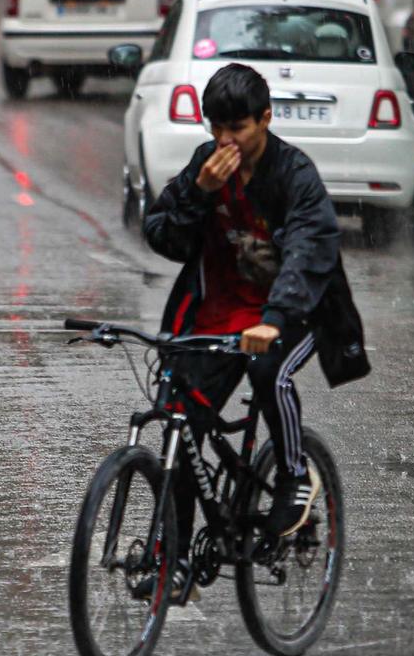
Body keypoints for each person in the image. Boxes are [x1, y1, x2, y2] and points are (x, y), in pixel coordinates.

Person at [142, 63, 369, 543]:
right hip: (219, 314)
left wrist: (276, 318)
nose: (226, 141)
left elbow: (311, 249)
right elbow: (163, 234)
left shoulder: (294, 174)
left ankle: (294, 477)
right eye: (216, 128)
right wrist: (198, 192)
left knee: (271, 371)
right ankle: (173, 559)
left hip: (294, 311)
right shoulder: (205, 166)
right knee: (180, 429)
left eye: (238, 128)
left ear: (266, 118)